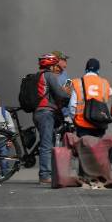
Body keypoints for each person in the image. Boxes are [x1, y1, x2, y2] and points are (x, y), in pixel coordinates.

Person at [34, 53, 69, 187]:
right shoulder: (49, 75)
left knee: (49, 141)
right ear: (51, 65)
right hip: (46, 113)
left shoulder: (38, 75)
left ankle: (51, 172)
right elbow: (60, 93)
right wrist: (69, 96)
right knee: (46, 144)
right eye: (56, 65)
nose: (58, 68)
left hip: (38, 112)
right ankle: (44, 175)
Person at [67, 58, 112, 139]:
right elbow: (110, 92)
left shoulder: (77, 82)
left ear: (86, 70)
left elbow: (72, 105)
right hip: (100, 122)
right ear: (98, 70)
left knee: (84, 146)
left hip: (82, 123)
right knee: (98, 146)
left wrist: (73, 119)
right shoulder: (104, 83)